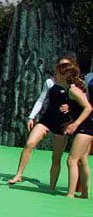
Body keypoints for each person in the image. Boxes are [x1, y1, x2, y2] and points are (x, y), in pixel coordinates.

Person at [7, 55, 78, 187]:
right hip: (47, 120)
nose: (61, 69)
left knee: (56, 157)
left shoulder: (74, 87)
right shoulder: (49, 82)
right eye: (60, 66)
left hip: (63, 124)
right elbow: (41, 100)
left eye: (65, 66)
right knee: (30, 143)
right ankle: (18, 175)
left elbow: (81, 104)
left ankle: (52, 186)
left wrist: (70, 108)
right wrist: (31, 117)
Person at [55, 63, 92, 198]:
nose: (55, 76)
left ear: (65, 76)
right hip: (85, 127)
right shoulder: (68, 91)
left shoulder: (73, 90)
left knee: (72, 160)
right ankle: (84, 193)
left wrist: (75, 124)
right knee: (82, 160)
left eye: (57, 74)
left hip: (86, 129)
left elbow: (88, 108)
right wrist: (70, 122)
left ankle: (70, 194)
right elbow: (79, 109)